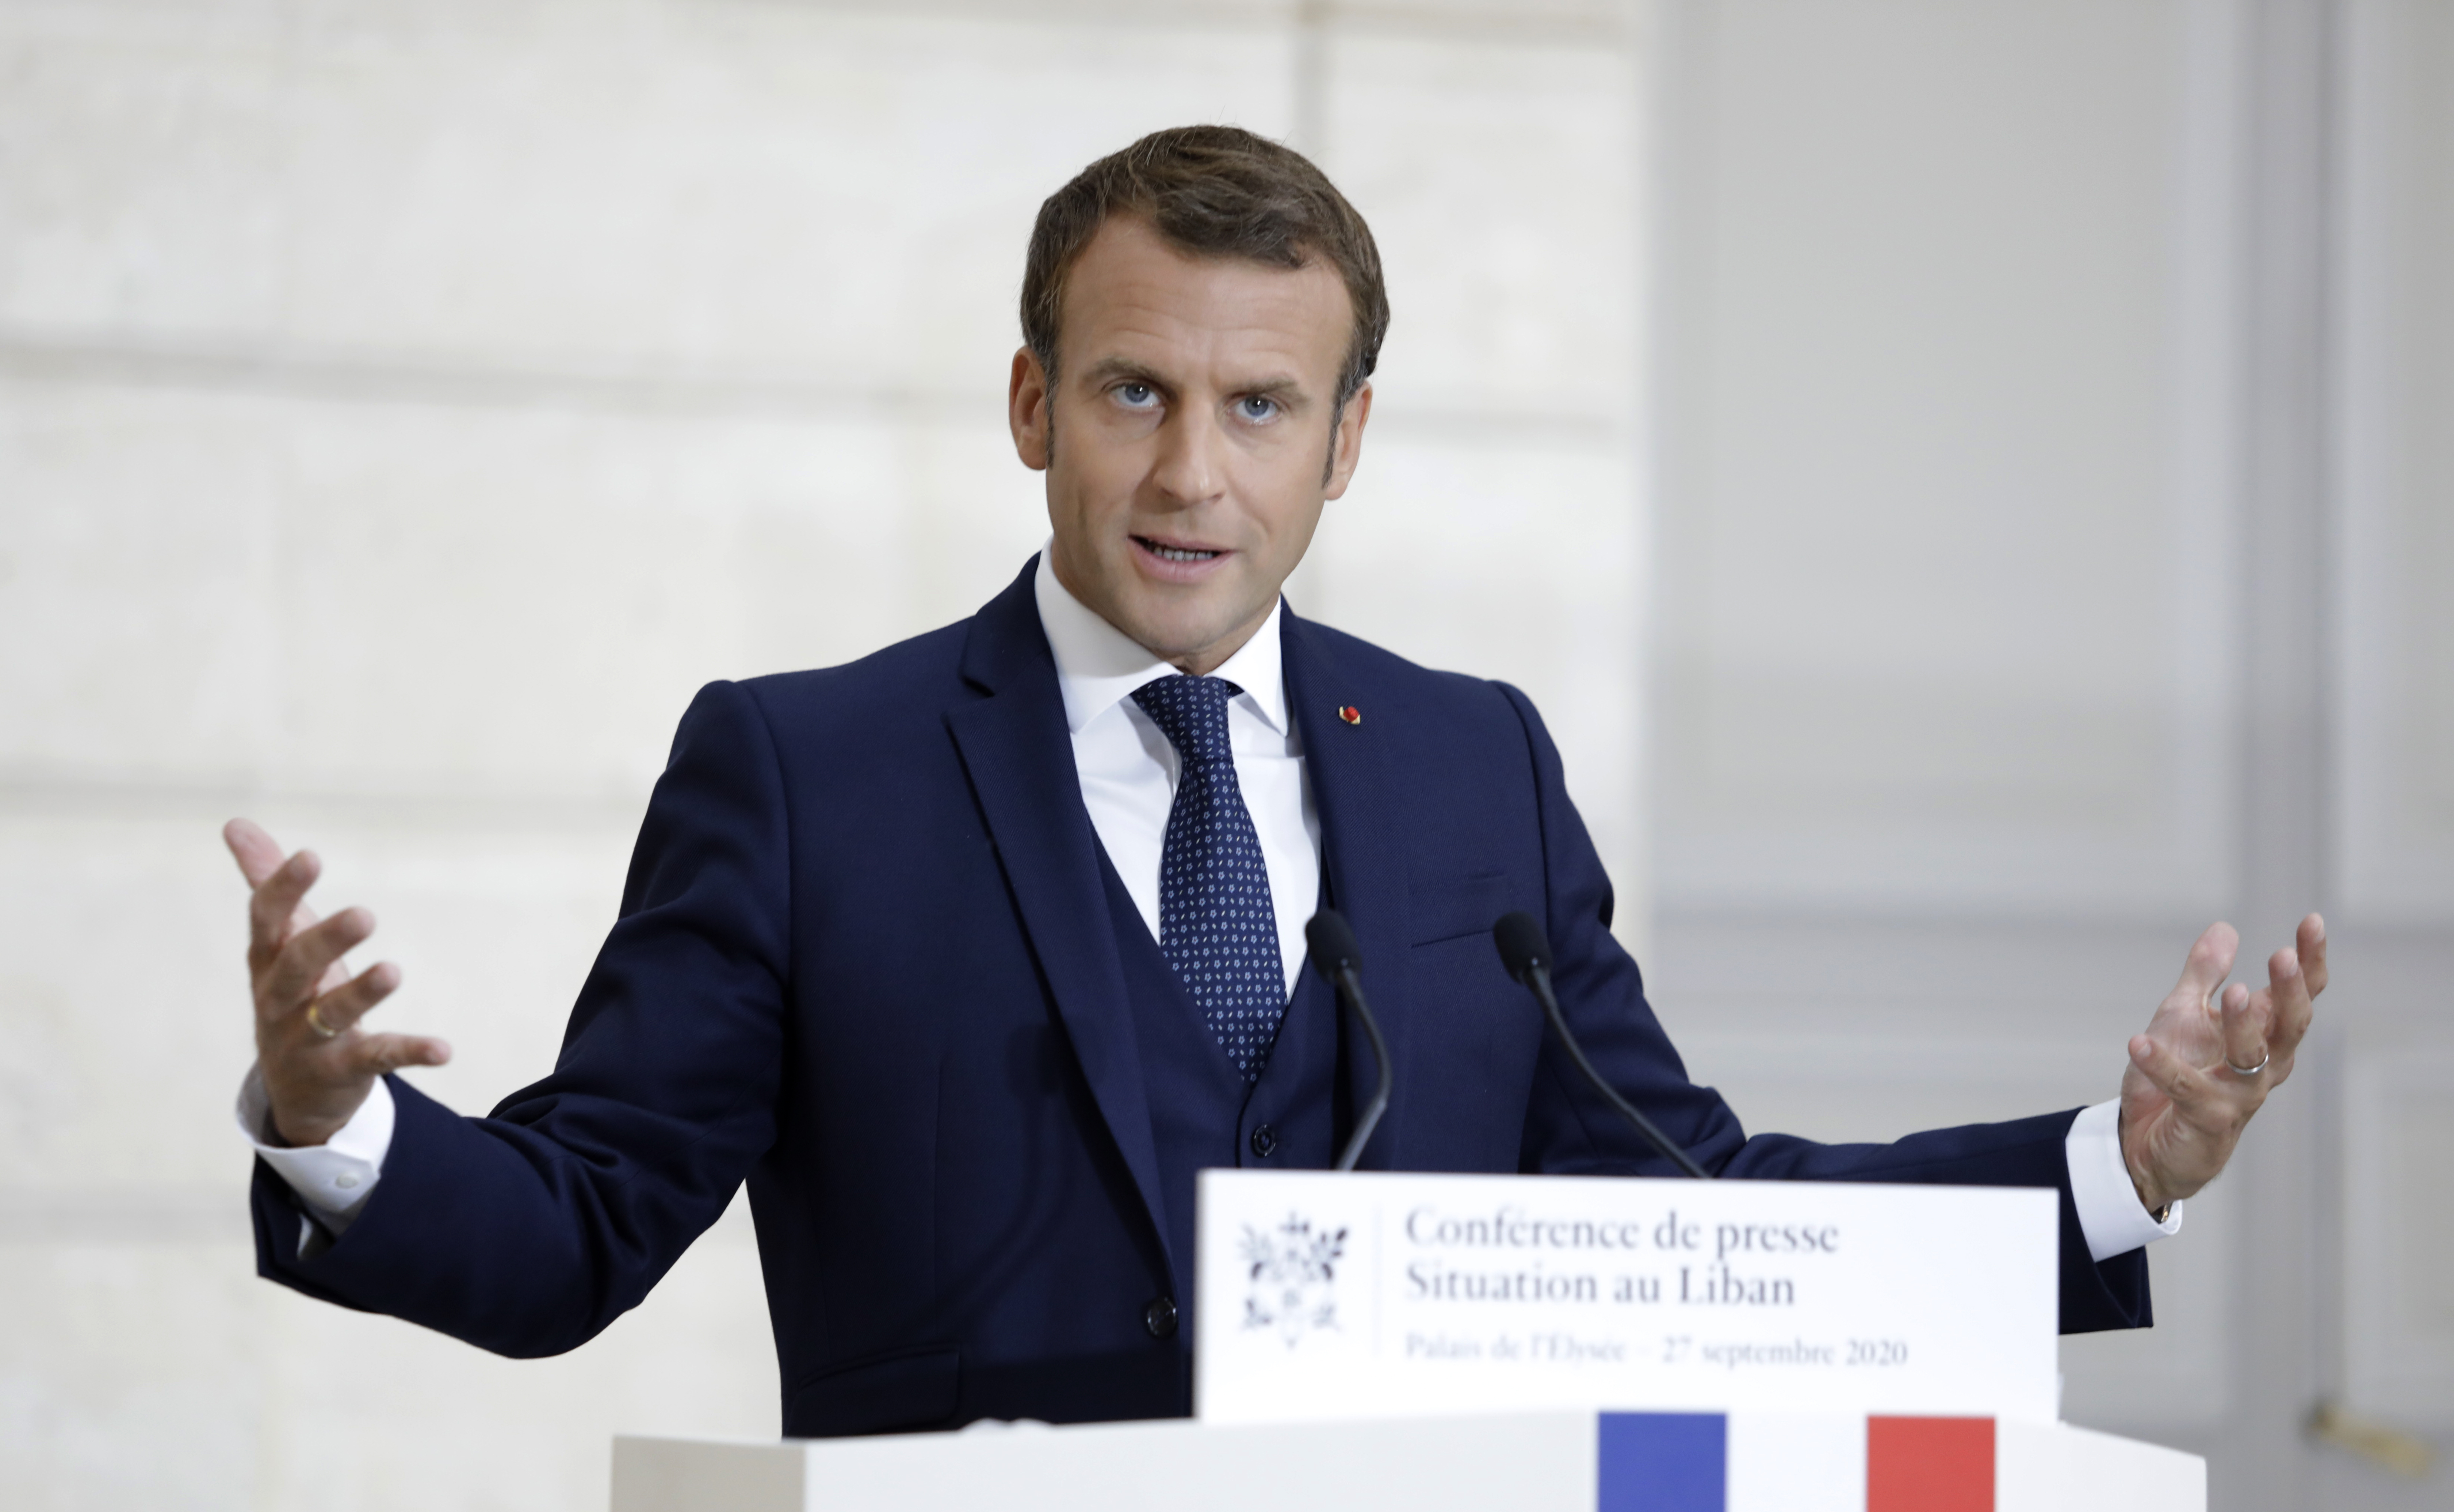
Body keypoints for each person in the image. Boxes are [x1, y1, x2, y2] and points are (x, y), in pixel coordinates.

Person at [223, 126, 2327, 1437]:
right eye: (1133, 391)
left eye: (1257, 404)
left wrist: (2105, 1169)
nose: (1188, 473)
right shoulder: (802, 771)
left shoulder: (1469, 764)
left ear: (1348, 439)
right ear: (1035, 402)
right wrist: (338, 1131)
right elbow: (578, 1229)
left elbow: (1695, 1224)